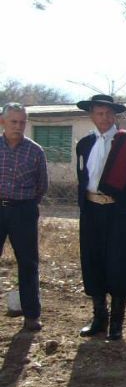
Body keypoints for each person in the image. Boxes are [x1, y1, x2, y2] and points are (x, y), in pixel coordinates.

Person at [75, 94, 126, 340]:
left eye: (108, 113)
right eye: (99, 113)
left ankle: (117, 323)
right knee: (93, 260)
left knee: (119, 263)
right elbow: (82, 177)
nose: (104, 118)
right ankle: (99, 317)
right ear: (92, 115)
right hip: (91, 211)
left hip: (118, 212)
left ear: (114, 115)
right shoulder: (84, 144)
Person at [0, 103, 47, 331]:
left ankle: (31, 315)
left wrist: (25, 205)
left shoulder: (35, 151)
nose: (18, 127)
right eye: (13, 122)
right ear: (2, 122)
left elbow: (42, 186)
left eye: (22, 122)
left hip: (23, 211)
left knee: (28, 263)